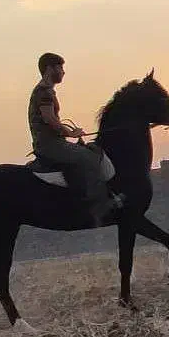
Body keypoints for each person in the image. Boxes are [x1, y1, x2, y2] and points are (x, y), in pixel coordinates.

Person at [28, 52, 122, 226]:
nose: (63, 72)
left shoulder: (45, 91)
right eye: (60, 68)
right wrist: (70, 133)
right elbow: (49, 119)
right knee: (89, 158)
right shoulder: (44, 92)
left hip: (53, 142)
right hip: (50, 145)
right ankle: (98, 206)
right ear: (50, 69)